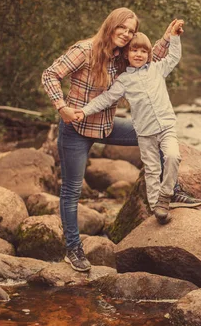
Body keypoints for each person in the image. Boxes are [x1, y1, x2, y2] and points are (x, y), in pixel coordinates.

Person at [42, 8, 201, 272]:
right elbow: (49, 75)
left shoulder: (121, 56)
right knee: (71, 192)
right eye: (123, 29)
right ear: (111, 26)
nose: (127, 35)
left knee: (154, 132)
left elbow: (152, 58)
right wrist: (61, 107)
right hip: (76, 129)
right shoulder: (84, 50)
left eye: (131, 31)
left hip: (106, 126)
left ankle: (169, 192)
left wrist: (168, 36)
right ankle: (73, 249)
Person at [76, 27, 183, 225]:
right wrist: (84, 111)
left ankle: (165, 196)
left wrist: (174, 38)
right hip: (144, 132)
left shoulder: (157, 69)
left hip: (167, 126)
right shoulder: (124, 80)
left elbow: (174, 56)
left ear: (149, 54)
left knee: (172, 156)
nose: (139, 54)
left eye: (143, 51)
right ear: (127, 54)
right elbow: (106, 99)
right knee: (151, 169)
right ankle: (156, 208)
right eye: (134, 50)